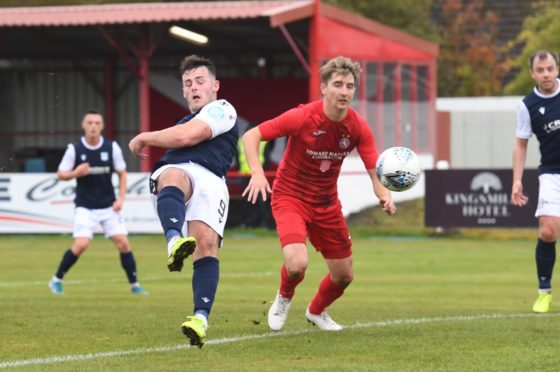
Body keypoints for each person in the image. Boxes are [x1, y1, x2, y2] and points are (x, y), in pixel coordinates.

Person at [242, 56, 396, 332]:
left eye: (349, 86)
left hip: (326, 204)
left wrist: (384, 194)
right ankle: (284, 297)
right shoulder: (302, 117)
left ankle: (316, 311)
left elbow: (373, 167)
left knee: (344, 276)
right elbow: (251, 135)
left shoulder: (357, 127)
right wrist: (256, 172)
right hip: (290, 197)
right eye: (338, 84)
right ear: (324, 88)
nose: (344, 91)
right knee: (297, 263)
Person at [128, 55, 238, 348]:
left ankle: (199, 319)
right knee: (174, 175)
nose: (193, 87)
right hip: (182, 173)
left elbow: (189, 136)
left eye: (199, 81)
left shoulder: (223, 109)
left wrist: (145, 137)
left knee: (206, 245)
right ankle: (174, 240)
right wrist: (153, 137)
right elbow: (183, 135)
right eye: (187, 84)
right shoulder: (181, 122)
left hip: (213, 181)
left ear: (215, 86)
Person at [48, 109, 148, 296]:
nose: (93, 126)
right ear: (83, 125)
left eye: (96, 123)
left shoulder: (112, 148)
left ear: (102, 126)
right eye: (89, 123)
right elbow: (61, 174)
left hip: (109, 206)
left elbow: (122, 173)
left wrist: (120, 199)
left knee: (123, 243)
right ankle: (56, 280)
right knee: (81, 245)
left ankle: (135, 285)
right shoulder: (75, 149)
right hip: (85, 206)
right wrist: (75, 173)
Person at [512, 49, 560, 314]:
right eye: (540, 70)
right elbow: (521, 144)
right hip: (552, 172)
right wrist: (516, 180)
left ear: (557, 69)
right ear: (532, 73)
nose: (546, 74)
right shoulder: (527, 105)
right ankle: (544, 293)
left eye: (550, 69)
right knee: (548, 231)